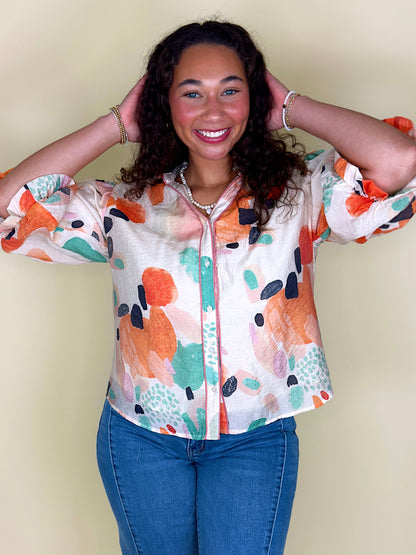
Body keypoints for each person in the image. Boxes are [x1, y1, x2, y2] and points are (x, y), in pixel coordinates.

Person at [1, 19, 416, 555]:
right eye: (192, 93)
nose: (213, 111)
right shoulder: (122, 208)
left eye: (231, 90)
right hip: (141, 439)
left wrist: (291, 106)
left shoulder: (302, 194)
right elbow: (9, 208)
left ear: (254, 98)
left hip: (254, 440)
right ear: (164, 104)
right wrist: (115, 125)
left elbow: (399, 161)